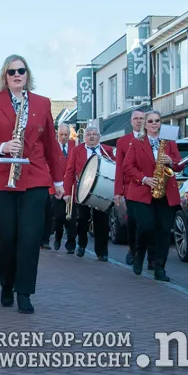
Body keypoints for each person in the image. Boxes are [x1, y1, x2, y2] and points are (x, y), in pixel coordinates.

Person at [0, 55, 65, 314]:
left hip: (34, 177)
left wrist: (57, 180)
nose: (17, 75)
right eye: (12, 71)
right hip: (1, 177)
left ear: (27, 75)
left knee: (29, 236)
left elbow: (50, 144)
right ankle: (7, 283)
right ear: (5, 75)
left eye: (21, 71)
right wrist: (1, 146)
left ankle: (24, 293)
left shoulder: (42, 103)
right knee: (6, 236)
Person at [121, 110, 184, 282]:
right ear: (145, 125)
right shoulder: (137, 142)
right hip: (143, 191)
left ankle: (159, 268)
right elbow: (127, 166)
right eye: (150, 121)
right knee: (147, 226)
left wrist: (171, 162)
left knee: (164, 231)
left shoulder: (169, 143)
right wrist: (144, 179)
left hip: (165, 192)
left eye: (157, 120)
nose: (154, 124)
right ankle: (139, 254)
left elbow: (179, 165)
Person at [63, 124, 114, 261]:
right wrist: (67, 192)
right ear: (84, 137)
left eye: (94, 134)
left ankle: (101, 251)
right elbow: (69, 172)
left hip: (102, 191)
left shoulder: (107, 150)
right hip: (82, 191)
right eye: (88, 134)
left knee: (102, 221)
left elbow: (116, 171)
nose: (91, 136)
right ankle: (81, 244)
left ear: (99, 137)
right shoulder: (76, 150)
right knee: (82, 219)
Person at [113, 109, 153, 269]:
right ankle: (133, 249)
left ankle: (151, 257)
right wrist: (118, 191)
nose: (139, 121)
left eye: (142, 118)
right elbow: (120, 168)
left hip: (152, 187)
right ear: (131, 121)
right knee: (134, 222)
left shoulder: (153, 139)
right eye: (136, 118)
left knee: (150, 225)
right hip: (132, 188)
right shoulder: (123, 141)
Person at [49, 124, 76, 252]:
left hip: (71, 187)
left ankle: (71, 244)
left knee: (72, 217)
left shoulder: (74, 145)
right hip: (56, 187)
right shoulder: (52, 146)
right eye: (61, 135)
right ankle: (58, 238)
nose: (64, 137)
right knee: (58, 217)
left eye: (66, 135)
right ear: (57, 134)